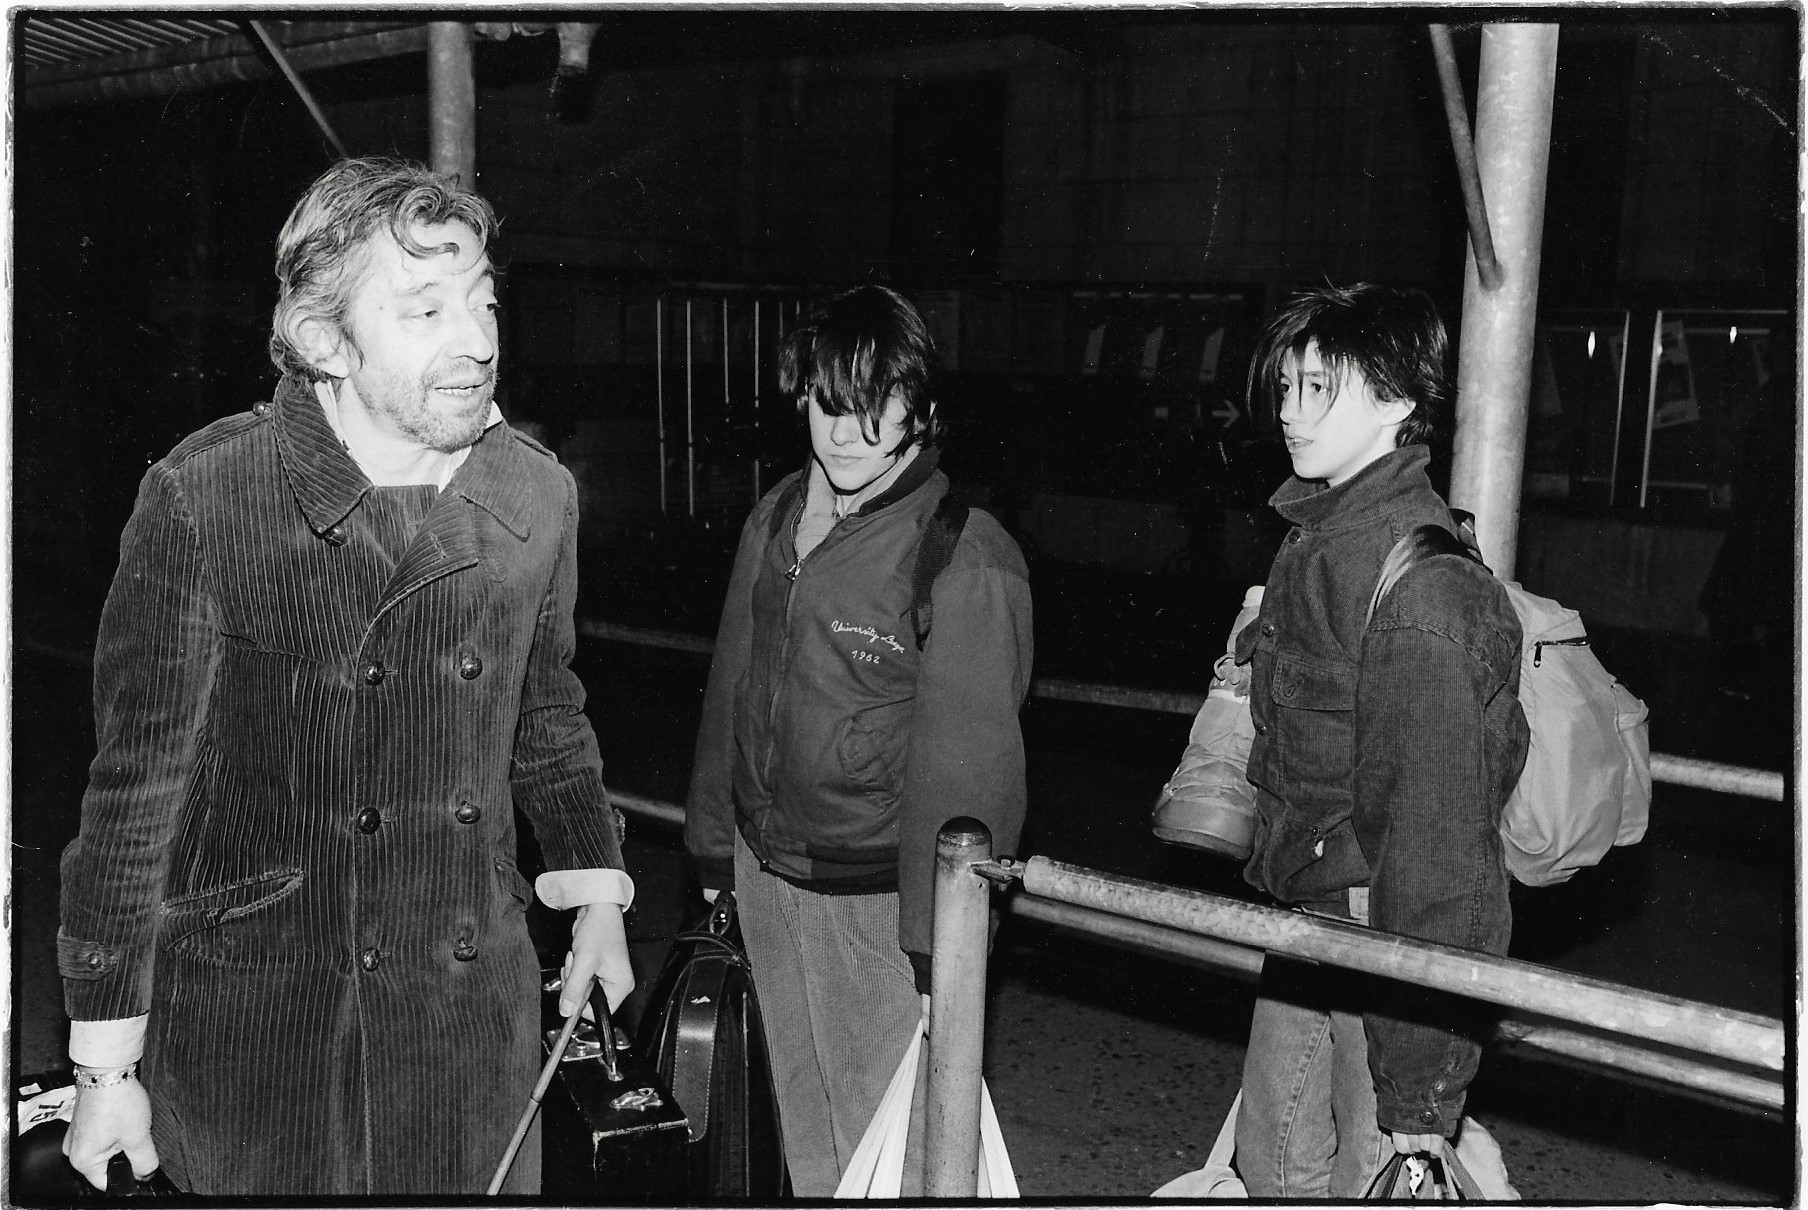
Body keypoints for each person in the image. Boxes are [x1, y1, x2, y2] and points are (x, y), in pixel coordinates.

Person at [56, 157, 636, 1196]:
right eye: (424, 309)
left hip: (464, 1029)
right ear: (324, 339)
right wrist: (106, 1059)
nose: (475, 340)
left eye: (481, 300)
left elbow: (546, 711)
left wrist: (595, 895)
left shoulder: (533, 493)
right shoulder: (210, 494)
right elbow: (134, 794)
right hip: (269, 1027)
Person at [684, 285, 1032, 1195]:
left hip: (874, 903)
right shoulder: (776, 517)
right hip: (767, 876)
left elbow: (974, 778)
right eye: (827, 404)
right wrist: (714, 848)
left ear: (919, 406)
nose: (844, 433)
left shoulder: (961, 554)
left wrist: (940, 950)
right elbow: (733, 686)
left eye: (873, 407)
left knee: (896, 1148)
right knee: (808, 1138)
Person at [1230, 283, 1529, 1197]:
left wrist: (1424, 1094)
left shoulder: (1418, 592)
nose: (1291, 411)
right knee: (1275, 1163)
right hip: (1311, 909)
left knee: (1367, 1169)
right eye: (1285, 388)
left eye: (1320, 386)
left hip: (1374, 921)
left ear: (1399, 398)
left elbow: (1439, 857)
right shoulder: (1319, 537)